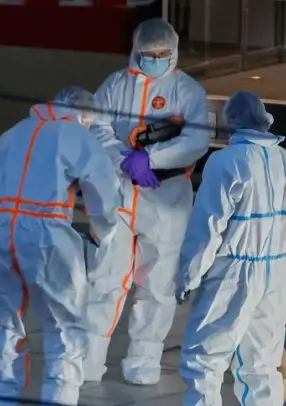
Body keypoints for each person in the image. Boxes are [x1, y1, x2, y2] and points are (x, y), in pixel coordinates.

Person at [161, 92, 286, 406]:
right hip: (275, 274)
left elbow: (207, 227)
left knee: (205, 360)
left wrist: (188, 276)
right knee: (263, 365)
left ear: (231, 123)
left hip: (233, 273)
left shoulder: (226, 162)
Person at [0, 87, 122, 406]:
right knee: (66, 325)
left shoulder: (13, 133)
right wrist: (104, 233)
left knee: (1, 325)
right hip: (45, 233)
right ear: (84, 115)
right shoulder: (76, 136)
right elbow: (104, 195)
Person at [88, 18, 211, 386]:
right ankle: (90, 361)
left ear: (173, 52)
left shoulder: (188, 91)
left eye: (163, 54)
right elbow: (97, 127)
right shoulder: (115, 85)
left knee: (158, 285)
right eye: (149, 54)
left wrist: (152, 158)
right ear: (136, 51)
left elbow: (196, 141)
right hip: (120, 194)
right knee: (107, 279)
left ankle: (143, 361)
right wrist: (122, 158)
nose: (156, 59)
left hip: (167, 198)